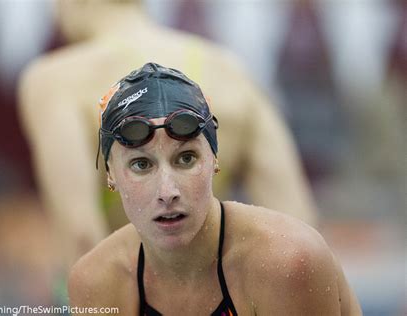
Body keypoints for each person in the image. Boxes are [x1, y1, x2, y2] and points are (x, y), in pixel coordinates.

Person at [19, 0, 317, 270]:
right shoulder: (230, 70)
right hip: (219, 293)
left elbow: (80, 236)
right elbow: (297, 226)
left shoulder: (54, 80)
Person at [68, 63, 361, 315]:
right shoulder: (96, 281)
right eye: (141, 164)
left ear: (215, 160)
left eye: (186, 158)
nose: (167, 191)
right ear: (111, 174)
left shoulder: (285, 261)